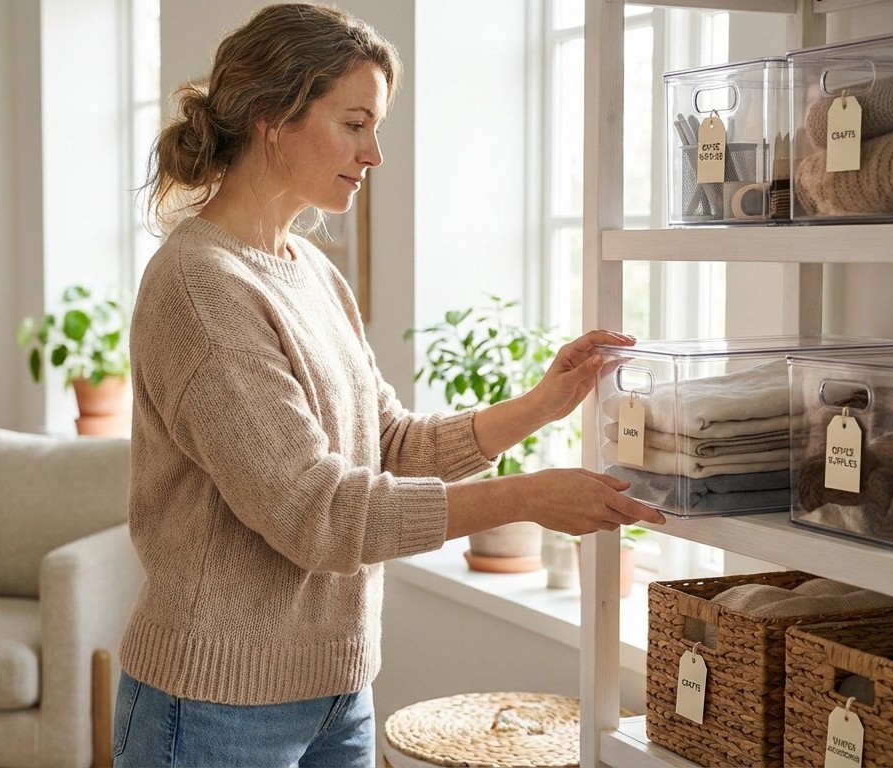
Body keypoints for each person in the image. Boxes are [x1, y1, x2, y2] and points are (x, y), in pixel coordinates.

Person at [115, 3, 664, 765]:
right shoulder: (199, 285)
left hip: (338, 692)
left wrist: (541, 405)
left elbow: (388, 445)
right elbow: (316, 513)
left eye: (375, 127)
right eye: (353, 124)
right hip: (215, 705)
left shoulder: (309, 270)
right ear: (272, 117)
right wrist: (526, 498)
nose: (372, 153)